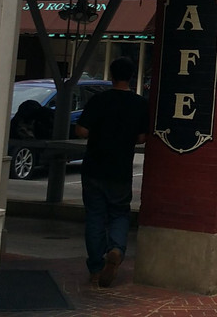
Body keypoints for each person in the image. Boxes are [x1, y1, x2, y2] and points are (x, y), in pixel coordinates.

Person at [75, 57, 149, 287]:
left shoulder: (99, 100)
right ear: (131, 77)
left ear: (111, 74)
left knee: (95, 215)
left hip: (94, 166)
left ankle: (96, 265)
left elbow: (81, 131)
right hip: (121, 168)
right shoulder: (139, 104)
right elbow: (141, 137)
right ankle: (116, 248)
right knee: (119, 213)